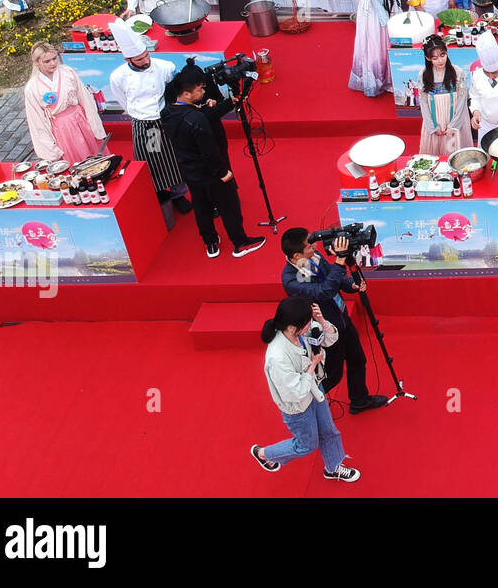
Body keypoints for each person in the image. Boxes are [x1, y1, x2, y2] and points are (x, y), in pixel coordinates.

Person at [251, 296, 360, 482]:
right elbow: (295, 392)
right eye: (308, 321)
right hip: (298, 406)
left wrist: (322, 321)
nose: (311, 325)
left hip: (315, 390)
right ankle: (264, 454)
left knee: (329, 431)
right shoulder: (277, 357)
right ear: (293, 326)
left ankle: (333, 468)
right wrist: (313, 365)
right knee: (306, 445)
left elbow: (331, 339)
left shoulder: (303, 331)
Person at [280, 229, 389, 415]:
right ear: (296, 255)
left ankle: (359, 400)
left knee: (357, 359)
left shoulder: (315, 256)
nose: (314, 246)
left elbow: (334, 278)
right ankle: (306, 406)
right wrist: (339, 260)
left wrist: (351, 285)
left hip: (341, 318)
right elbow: (323, 291)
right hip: (326, 331)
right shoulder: (291, 280)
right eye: (309, 245)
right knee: (333, 374)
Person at [162, 68, 267, 259]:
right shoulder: (196, 120)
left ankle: (210, 243)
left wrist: (227, 104)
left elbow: (202, 115)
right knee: (230, 206)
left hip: (189, 172)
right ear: (187, 93)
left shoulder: (169, 112)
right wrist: (222, 172)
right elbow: (209, 150)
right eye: (200, 90)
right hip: (212, 174)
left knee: (202, 208)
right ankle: (240, 243)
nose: (203, 93)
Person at [107, 19, 189, 211]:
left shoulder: (164, 66)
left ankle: (179, 194)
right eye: (139, 59)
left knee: (177, 157)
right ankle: (161, 192)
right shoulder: (118, 77)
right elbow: (122, 100)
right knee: (154, 159)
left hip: (166, 118)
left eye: (146, 56)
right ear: (128, 60)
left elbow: (173, 90)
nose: (145, 61)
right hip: (147, 124)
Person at [23, 41, 106, 165]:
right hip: (61, 129)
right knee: (76, 162)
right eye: (47, 61)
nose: (53, 63)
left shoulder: (68, 72)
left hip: (80, 120)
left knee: (96, 158)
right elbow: (36, 121)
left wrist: (95, 125)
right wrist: (49, 149)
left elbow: (85, 98)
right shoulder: (32, 87)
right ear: (37, 63)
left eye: (54, 58)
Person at [349, 0, 402, 99]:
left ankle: (388, 77)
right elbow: (375, 3)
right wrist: (387, 22)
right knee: (375, 42)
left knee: (387, 40)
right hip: (373, 11)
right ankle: (376, 80)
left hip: (385, 2)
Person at [419, 35, 473, 154]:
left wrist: (453, 126)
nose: (440, 60)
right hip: (435, 118)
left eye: (442, 55)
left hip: (455, 117)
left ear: (447, 52)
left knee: (456, 153)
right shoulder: (423, 75)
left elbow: (462, 100)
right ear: (428, 58)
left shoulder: (457, 72)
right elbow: (423, 102)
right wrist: (432, 127)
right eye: (435, 58)